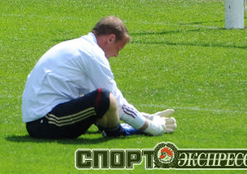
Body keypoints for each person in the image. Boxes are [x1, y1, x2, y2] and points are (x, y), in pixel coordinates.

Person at [21, 16, 177, 139]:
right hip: (44, 123)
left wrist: (144, 117)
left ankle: (120, 128)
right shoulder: (93, 54)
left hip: (41, 120)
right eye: (118, 48)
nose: (116, 55)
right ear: (110, 39)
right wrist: (152, 127)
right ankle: (120, 132)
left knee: (100, 98)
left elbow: (112, 104)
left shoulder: (80, 46)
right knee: (103, 97)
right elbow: (115, 102)